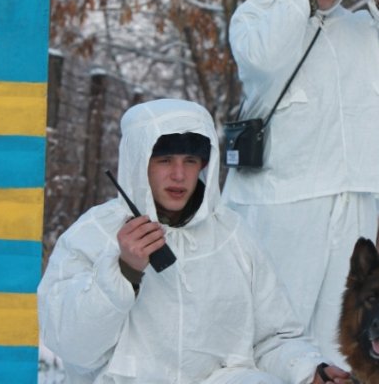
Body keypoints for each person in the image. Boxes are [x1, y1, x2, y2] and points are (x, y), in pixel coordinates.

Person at [222, 0, 379, 366]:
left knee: (344, 325)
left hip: (353, 197)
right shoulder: (258, 16)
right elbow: (261, 59)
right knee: (278, 321)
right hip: (284, 199)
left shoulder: (361, 30)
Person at [37, 98, 348, 384]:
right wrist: (123, 272)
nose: (178, 174)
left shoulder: (232, 235)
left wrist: (310, 372)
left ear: (204, 165)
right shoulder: (94, 233)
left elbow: (272, 338)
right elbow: (72, 346)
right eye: (164, 160)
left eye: (190, 160)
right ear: (138, 161)